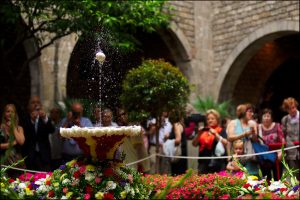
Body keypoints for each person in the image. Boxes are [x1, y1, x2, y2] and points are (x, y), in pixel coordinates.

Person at [21, 96, 55, 171]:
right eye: (33, 102)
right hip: (29, 156)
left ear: (41, 105)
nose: (36, 104)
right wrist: (32, 121)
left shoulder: (44, 118)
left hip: (44, 155)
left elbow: (52, 130)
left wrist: (45, 118)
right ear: (28, 106)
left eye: (38, 102)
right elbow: (24, 133)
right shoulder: (24, 118)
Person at [226, 104, 259, 176]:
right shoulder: (233, 123)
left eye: (252, 112)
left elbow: (255, 140)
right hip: (237, 155)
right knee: (237, 177)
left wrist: (253, 133)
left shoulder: (252, 123)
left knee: (251, 178)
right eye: (250, 111)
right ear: (243, 112)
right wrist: (244, 134)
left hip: (249, 156)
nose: (252, 114)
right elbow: (229, 138)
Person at [192, 109, 228, 174]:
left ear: (217, 120)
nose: (210, 120)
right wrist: (199, 134)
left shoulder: (221, 130)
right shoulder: (203, 130)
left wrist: (216, 134)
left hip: (217, 163)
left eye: (212, 118)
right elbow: (194, 144)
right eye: (208, 119)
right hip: (203, 162)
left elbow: (225, 143)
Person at [117, 108, 150, 173]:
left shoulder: (134, 126)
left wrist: (140, 162)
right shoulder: (123, 127)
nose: (121, 117)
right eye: (119, 115)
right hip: (128, 163)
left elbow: (139, 146)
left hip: (136, 164)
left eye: (123, 114)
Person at [258, 108, 285, 180]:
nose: (266, 118)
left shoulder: (277, 125)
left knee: (278, 178)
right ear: (262, 118)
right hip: (264, 157)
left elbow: (282, 140)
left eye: (268, 116)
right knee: (266, 179)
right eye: (264, 116)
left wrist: (281, 153)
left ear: (271, 118)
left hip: (277, 156)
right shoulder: (258, 127)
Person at [0, 104, 25, 177]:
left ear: (15, 114)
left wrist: (13, 126)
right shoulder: (1, 128)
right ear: (4, 113)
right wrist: (12, 143)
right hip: (4, 163)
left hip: (17, 162)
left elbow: (21, 142)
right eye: (8, 111)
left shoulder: (19, 128)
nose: (10, 114)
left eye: (12, 112)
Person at [281, 97, 299, 179]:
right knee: (294, 176)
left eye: (294, 107)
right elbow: (283, 135)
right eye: (290, 109)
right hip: (291, 151)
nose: (292, 110)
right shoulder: (285, 120)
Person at [167, 109, 188, 175]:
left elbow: (178, 140)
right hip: (182, 154)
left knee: (176, 175)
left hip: (178, 155)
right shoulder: (180, 124)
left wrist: (167, 144)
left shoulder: (176, 125)